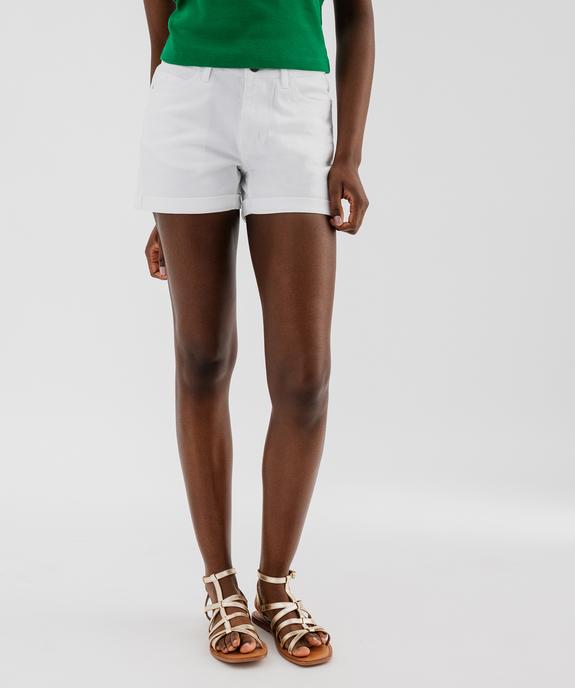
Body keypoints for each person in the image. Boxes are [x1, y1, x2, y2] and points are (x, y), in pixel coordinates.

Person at [137, 0, 374, 666]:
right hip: (187, 105)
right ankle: (221, 584)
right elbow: (160, 23)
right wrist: (164, 196)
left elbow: (356, 17)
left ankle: (274, 585)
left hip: (295, 105)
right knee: (203, 358)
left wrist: (348, 154)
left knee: (304, 380)